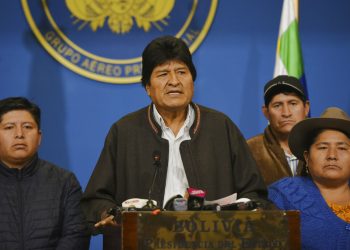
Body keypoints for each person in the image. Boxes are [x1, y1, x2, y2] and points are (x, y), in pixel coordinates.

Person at [81, 36, 268, 232]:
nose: (174, 81)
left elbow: (254, 193)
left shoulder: (221, 127)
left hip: (212, 238)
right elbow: (95, 200)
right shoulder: (125, 132)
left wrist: (240, 209)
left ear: (192, 82)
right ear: (147, 87)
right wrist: (110, 214)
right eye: (163, 74)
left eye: (181, 72)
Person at [0, 97, 90, 249]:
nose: (19, 134)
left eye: (28, 127)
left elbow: (77, 234)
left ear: (39, 137)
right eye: (9, 127)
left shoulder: (65, 182)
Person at [269, 107, 350, 250]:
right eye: (323, 147)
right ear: (306, 157)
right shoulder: (282, 195)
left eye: (342, 148)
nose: (332, 155)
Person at [247, 75, 310, 185]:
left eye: (293, 103)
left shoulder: (320, 147)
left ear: (306, 108)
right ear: (266, 112)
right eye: (277, 105)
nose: (286, 113)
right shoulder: (250, 150)